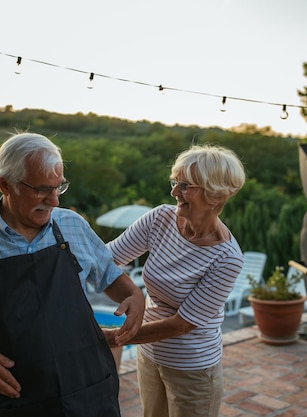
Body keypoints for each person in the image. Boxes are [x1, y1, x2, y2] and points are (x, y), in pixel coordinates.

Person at [0, 132, 144, 417]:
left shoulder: (73, 226)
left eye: (59, 187)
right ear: (5, 184)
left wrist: (133, 294)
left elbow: (110, 276)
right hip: (16, 402)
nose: (54, 200)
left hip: (90, 392)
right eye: (42, 189)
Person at [105, 144, 246, 417]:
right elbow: (107, 258)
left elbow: (181, 324)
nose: (173, 193)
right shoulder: (160, 218)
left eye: (184, 186)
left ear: (215, 194)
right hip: (149, 355)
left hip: (192, 369)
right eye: (175, 182)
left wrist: (114, 338)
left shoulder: (227, 258)